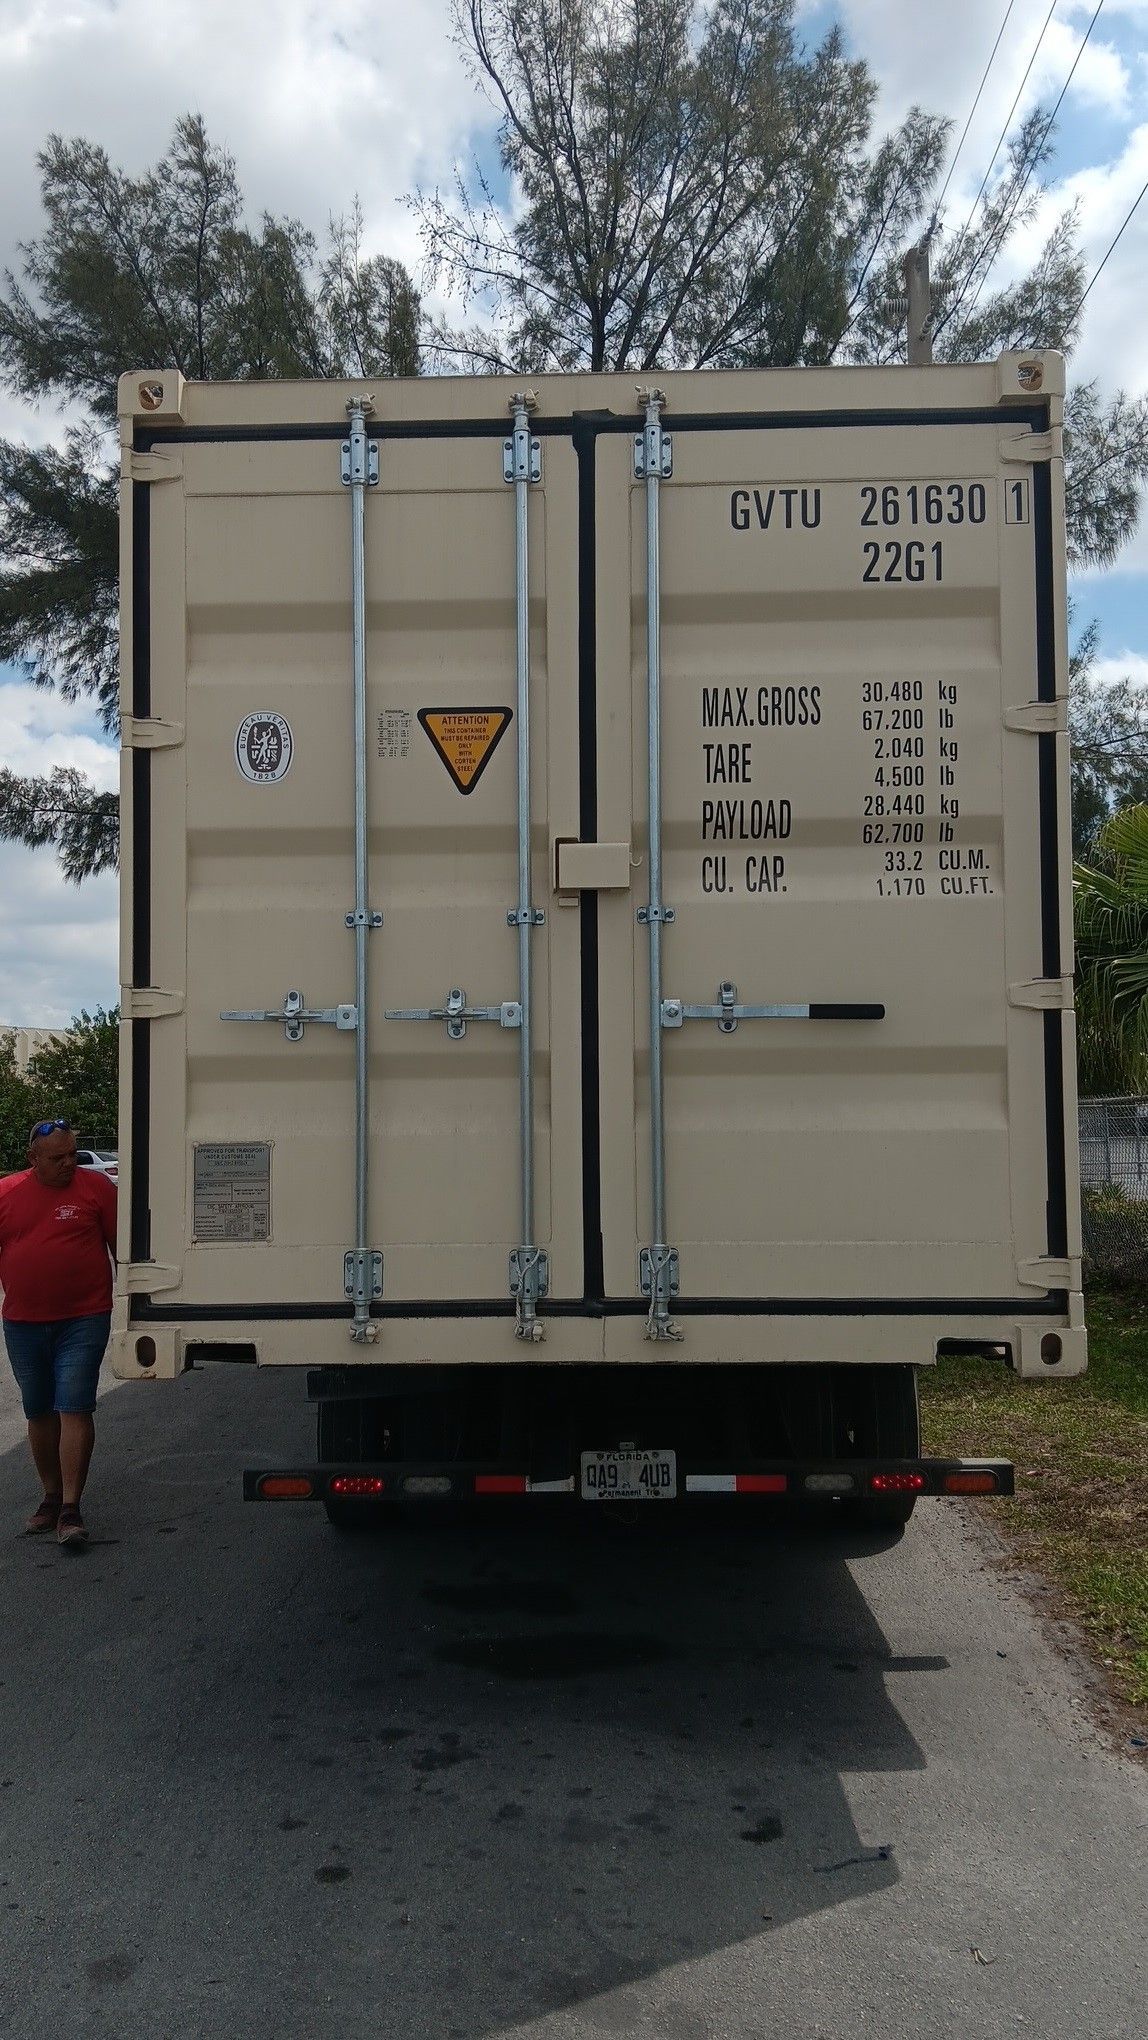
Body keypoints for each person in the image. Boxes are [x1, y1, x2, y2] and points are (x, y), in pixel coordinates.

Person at [0, 1119, 117, 1550]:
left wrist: (134, 1311)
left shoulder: (97, 1189)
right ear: (33, 1159)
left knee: (74, 1405)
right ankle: (49, 1497)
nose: (69, 1164)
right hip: (23, 1322)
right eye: (58, 1158)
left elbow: (122, 1247)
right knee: (38, 1411)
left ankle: (71, 1508)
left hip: (83, 1318)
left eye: (73, 1154)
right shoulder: (7, 1192)